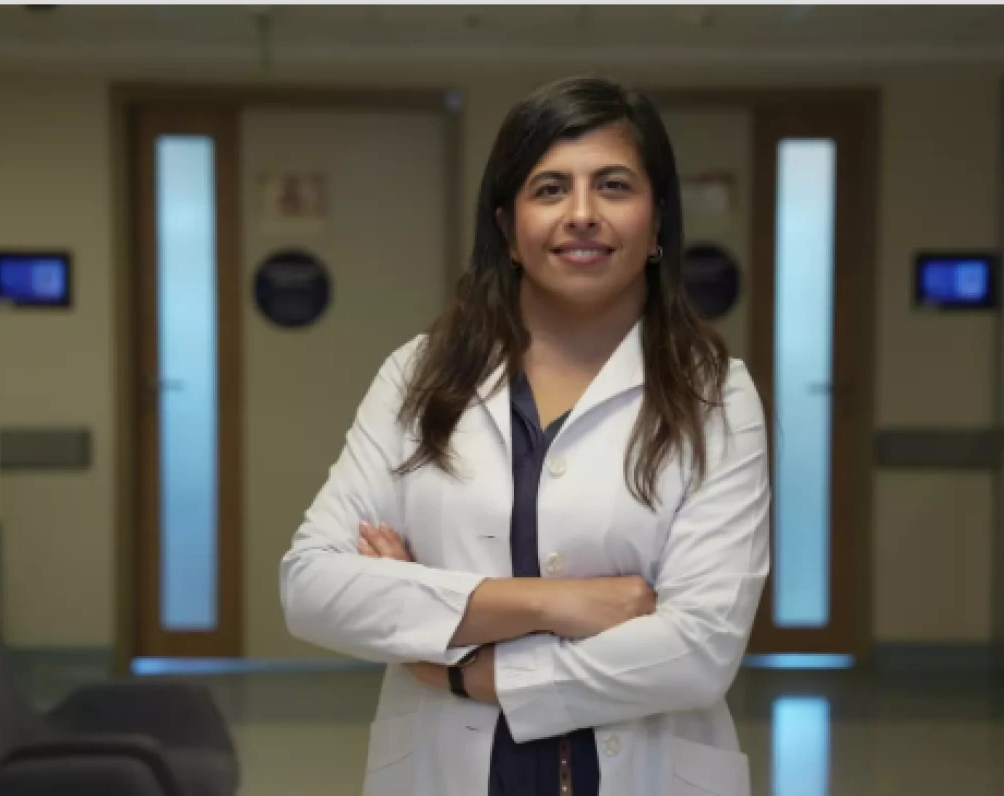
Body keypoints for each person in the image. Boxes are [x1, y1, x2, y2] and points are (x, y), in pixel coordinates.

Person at [280, 75, 771, 796]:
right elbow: (312, 587)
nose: (582, 215)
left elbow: (699, 649)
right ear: (508, 228)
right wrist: (553, 603)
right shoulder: (419, 376)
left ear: (658, 221)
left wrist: (464, 664)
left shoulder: (715, 395)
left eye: (613, 186)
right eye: (550, 189)